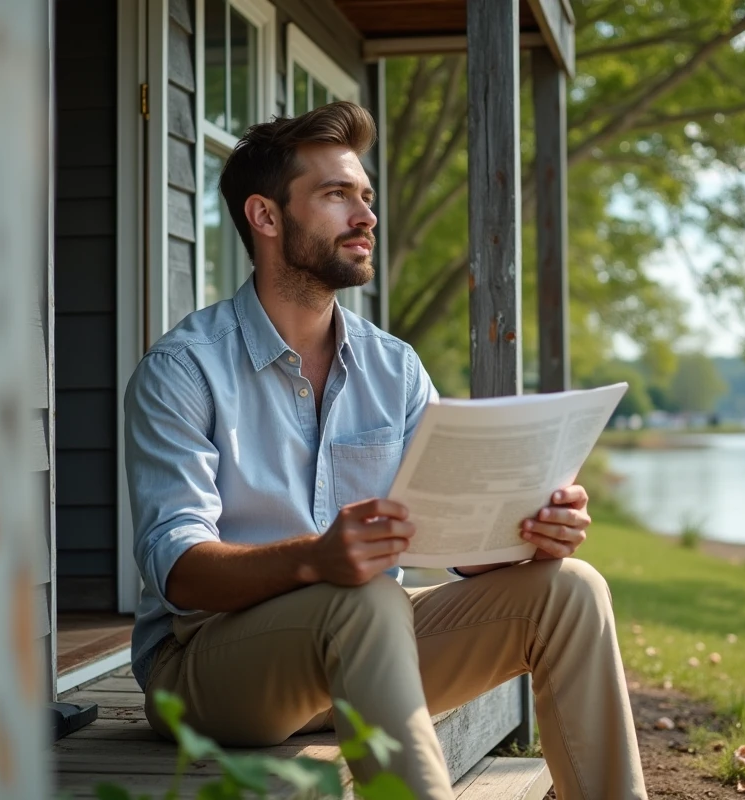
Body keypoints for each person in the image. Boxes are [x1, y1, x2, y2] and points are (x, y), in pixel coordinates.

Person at [124, 101, 646, 799]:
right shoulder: (184, 370)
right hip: (204, 669)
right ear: (267, 217)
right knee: (363, 596)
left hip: (365, 655)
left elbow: (449, 538)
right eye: (337, 195)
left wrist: (529, 529)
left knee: (571, 591)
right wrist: (315, 559)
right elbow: (179, 571)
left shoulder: (393, 368)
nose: (366, 215)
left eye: (365, 196)